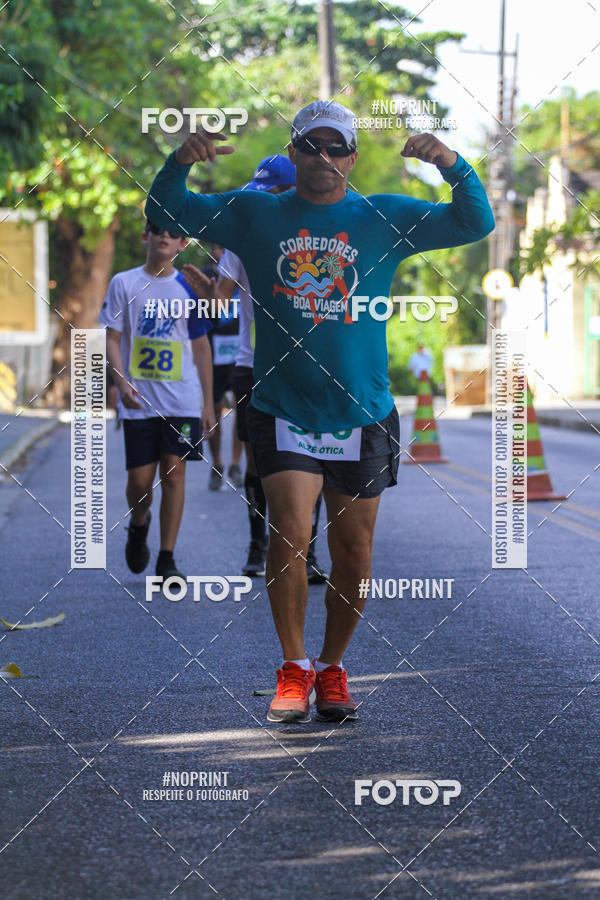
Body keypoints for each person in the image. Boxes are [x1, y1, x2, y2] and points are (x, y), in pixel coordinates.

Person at [146, 100, 494, 723]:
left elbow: (474, 223)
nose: (325, 159)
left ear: (352, 159)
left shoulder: (383, 215)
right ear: (295, 152)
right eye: (312, 146)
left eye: (337, 148)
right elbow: (168, 212)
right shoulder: (255, 213)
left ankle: (332, 668)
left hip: (363, 410)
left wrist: (451, 164)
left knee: (355, 555)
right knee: (291, 535)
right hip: (284, 408)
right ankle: (293, 666)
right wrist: (179, 163)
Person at [183, 154, 328, 583]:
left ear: (292, 192)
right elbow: (219, 304)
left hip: (307, 367)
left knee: (312, 460)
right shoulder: (242, 243)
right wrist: (208, 295)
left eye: (270, 196)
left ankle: (309, 553)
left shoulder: (321, 242)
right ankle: (257, 546)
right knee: (257, 461)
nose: (262, 205)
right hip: (254, 365)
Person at [101, 219, 215, 580]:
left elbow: (200, 345)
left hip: (182, 398)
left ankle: (167, 558)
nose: (165, 235)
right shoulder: (125, 283)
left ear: (182, 244)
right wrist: (120, 383)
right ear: (145, 236)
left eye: (173, 232)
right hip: (139, 399)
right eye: (158, 229)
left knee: (175, 473)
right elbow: (112, 338)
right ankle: (139, 521)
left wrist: (209, 403)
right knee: (139, 482)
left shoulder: (187, 286)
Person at [200, 245, 244, 491]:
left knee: (242, 410)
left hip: (241, 352)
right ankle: (217, 463)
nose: (224, 250)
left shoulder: (246, 270)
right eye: (220, 247)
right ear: (215, 250)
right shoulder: (208, 275)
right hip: (214, 353)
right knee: (213, 411)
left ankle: (236, 463)